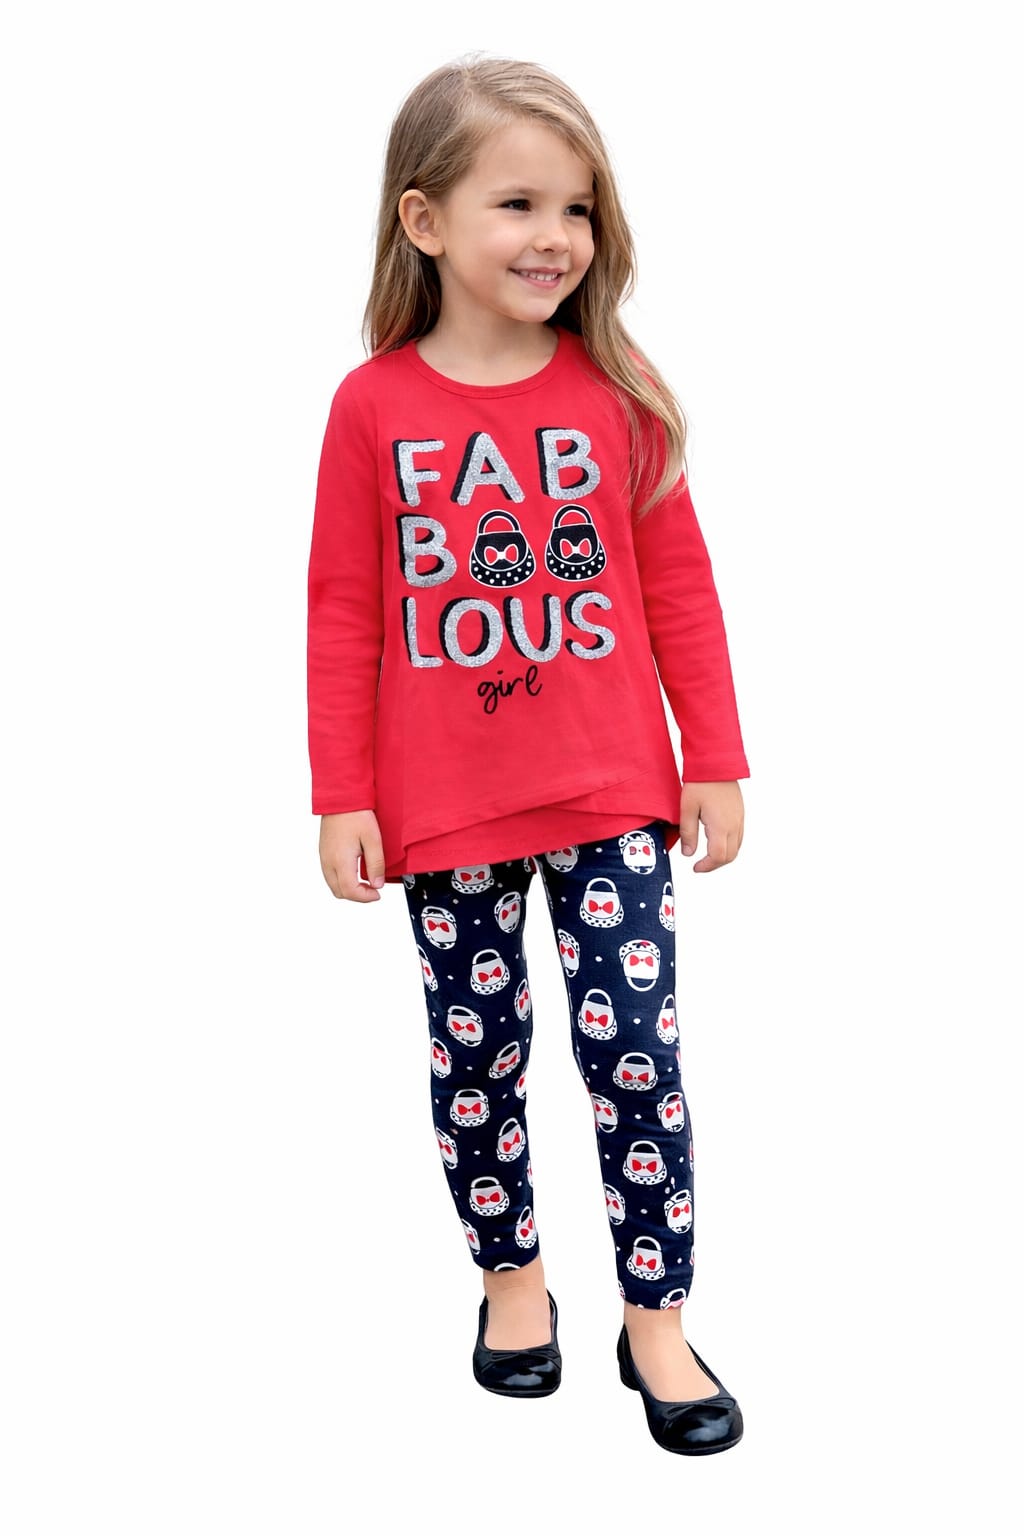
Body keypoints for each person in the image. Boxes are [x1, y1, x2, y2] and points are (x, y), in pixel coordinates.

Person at [306, 55, 750, 1456]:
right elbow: (344, 608)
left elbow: (679, 587)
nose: (557, 236)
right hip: (445, 809)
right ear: (425, 220)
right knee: (478, 1056)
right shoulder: (372, 407)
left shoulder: (620, 392)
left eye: (578, 207)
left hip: (613, 793)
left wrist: (714, 755)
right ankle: (512, 1283)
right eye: (519, 203)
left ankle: (656, 1317)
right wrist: (342, 793)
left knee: (635, 1060)